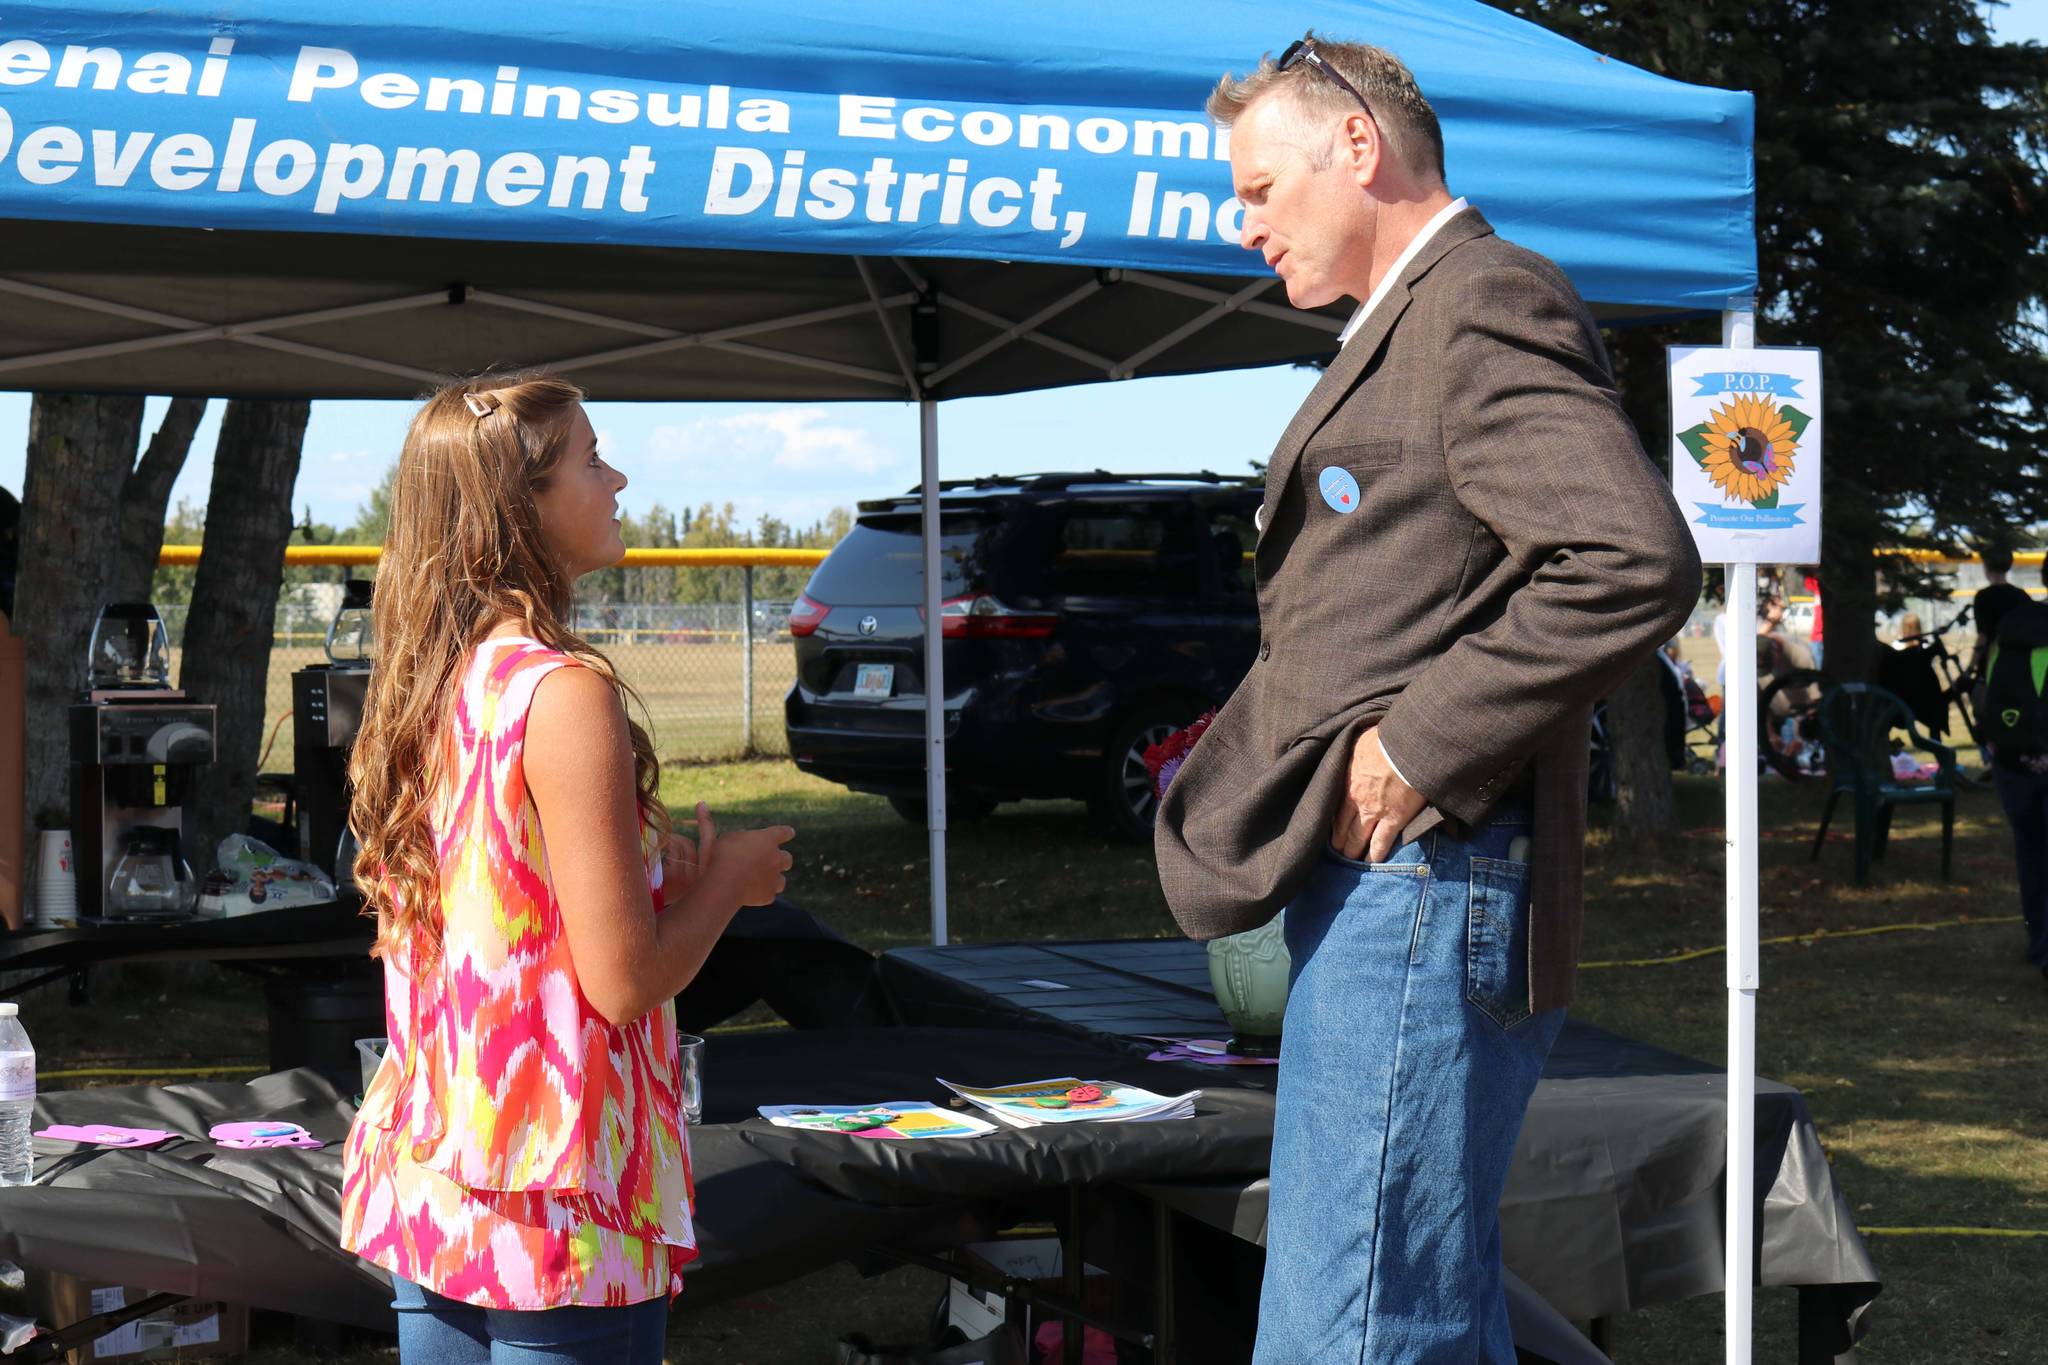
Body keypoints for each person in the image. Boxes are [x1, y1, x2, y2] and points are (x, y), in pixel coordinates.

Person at [1153, 36, 1699, 1363]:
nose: (1247, 227)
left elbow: (1631, 557)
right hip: (1409, 893)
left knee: (1355, 1321)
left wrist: (1421, 743)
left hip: (1426, 878)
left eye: (1262, 188)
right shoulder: (1416, 316)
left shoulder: (1477, 299)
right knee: (1422, 1309)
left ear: (1358, 148)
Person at [338, 373, 795, 1363]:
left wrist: (642, 870)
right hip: (561, 1190)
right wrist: (731, 883)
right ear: (519, 509)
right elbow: (623, 982)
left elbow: (502, 904)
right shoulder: (563, 692)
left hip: (444, 1170)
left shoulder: (441, 681)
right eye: (591, 460)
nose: (618, 477)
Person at [1970, 544, 2031, 682]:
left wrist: (1970, 668)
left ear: (1986, 567)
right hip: (2019, 663)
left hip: (1992, 664)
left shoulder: (1983, 597)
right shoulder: (2021, 595)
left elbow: (1983, 637)